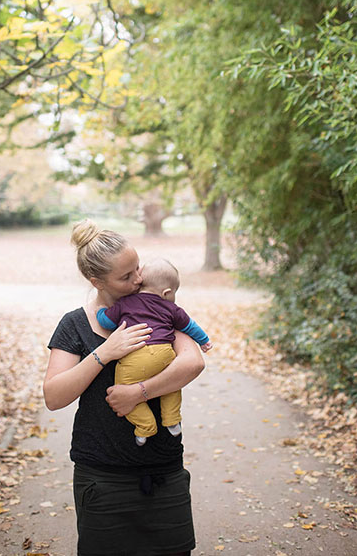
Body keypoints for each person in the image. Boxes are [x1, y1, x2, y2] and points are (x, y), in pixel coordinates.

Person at [43, 220, 205, 556]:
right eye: (125, 276)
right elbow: (54, 396)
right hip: (103, 477)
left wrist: (139, 392)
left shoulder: (155, 310)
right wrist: (105, 353)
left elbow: (193, 363)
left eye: (137, 269)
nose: (138, 281)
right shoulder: (74, 324)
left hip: (164, 470)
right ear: (96, 281)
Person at [96, 257, 213, 446]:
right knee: (171, 383)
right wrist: (204, 341)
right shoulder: (172, 307)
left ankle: (145, 426)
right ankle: (172, 420)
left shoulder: (126, 303)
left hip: (137, 358)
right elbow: (190, 326)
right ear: (167, 292)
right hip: (165, 353)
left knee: (123, 386)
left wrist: (101, 311)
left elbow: (106, 322)